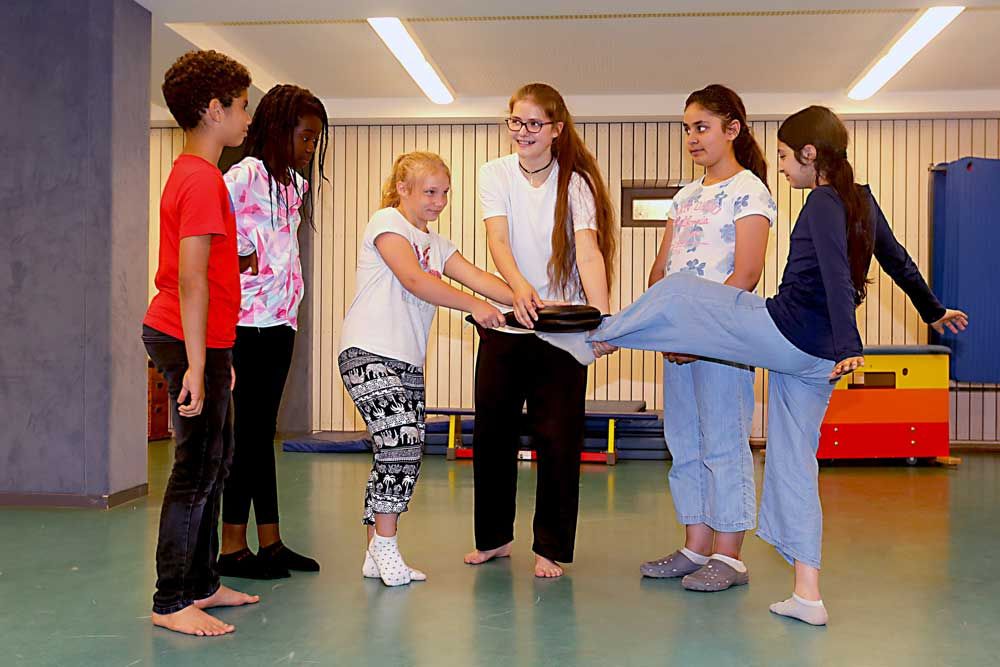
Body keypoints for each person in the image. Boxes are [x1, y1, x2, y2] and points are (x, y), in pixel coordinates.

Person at [589, 105, 968, 625]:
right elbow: (897, 260)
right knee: (793, 463)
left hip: (787, 332)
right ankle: (807, 595)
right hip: (814, 362)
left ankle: (597, 338)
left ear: (811, 155)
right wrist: (933, 309)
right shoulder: (863, 201)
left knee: (679, 291)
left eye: (788, 157)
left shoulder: (821, 203)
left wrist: (847, 343)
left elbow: (836, 271)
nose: (784, 167)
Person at [339, 151, 514, 586]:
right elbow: (415, 280)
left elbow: (477, 278)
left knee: (400, 450)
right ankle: (385, 546)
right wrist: (477, 307)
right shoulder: (386, 223)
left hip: (407, 359)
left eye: (445, 193)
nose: (439, 201)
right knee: (401, 442)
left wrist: (526, 299)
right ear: (403, 189)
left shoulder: (437, 245)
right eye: (430, 192)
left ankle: (372, 554)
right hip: (369, 351)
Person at [464, 83, 617, 579]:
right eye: (515, 121)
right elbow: (497, 239)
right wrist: (519, 290)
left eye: (534, 123)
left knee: (558, 439)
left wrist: (602, 315)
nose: (523, 132)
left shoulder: (577, 183)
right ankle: (493, 538)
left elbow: (589, 251)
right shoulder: (495, 173)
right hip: (508, 323)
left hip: (562, 333)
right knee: (492, 434)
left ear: (555, 129)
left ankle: (549, 547)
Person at [641, 84, 776, 592]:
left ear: (732, 128)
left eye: (702, 127)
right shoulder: (684, 197)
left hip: (721, 342)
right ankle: (695, 547)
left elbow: (745, 275)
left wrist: (697, 332)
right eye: (687, 129)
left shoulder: (751, 191)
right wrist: (664, 324)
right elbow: (662, 270)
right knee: (685, 444)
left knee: (723, 443)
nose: (692, 138)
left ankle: (730, 557)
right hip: (678, 343)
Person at [142, 50, 258, 637]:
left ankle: (202, 583)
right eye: (241, 106)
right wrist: (195, 361)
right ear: (213, 110)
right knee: (195, 467)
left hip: (204, 341)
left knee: (218, 459)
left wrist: (220, 354)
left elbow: (211, 278)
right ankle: (170, 600)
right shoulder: (202, 178)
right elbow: (190, 277)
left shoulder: (196, 173)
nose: (246, 117)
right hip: (180, 335)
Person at [218, 84, 329, 580]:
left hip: (282, 323)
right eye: (306, 139)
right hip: (244, 325)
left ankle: (271, 541)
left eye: (315, 142)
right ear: (280, 130)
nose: (310, 150)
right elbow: (207, 245)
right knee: (249, 436)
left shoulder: (294, 186)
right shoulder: (241, 176)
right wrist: (243, 260)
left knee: (264, 434)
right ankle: (231, 547)